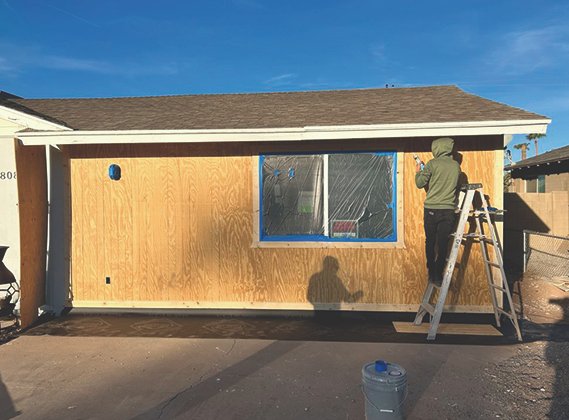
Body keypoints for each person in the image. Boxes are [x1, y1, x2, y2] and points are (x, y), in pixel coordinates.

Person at [415, 137, 460, 287]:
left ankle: (431, 273)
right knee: (442, 243)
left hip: (431, 209)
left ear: (436, 149)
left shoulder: (432, 164)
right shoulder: (455, 166)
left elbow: (420, 183)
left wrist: (418, 171)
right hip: (448, 210)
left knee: (430, 241)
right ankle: (438, 275)